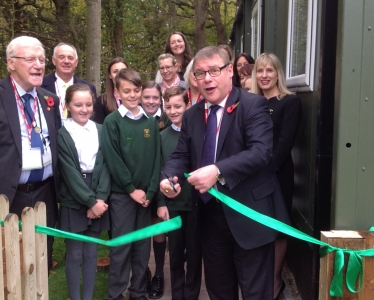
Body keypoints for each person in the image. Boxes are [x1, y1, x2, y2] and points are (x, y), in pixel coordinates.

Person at [160, 46, 289, 300]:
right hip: (210, 221)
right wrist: (168, 177)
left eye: (214, 71)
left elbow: (261, 152)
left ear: (229, 71)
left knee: (256, 294)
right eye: (200, 73)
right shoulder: (192, 115)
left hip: (250, 217)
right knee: (219, 291)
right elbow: (181, 155)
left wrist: (218, 170)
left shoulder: (253, 105)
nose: (207, 78)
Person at [0, 36, 61, 271]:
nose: (38, 64)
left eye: (42, 59)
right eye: (30, 59)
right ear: (11, 63)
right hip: (9, 197)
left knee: (41, 263)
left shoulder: (49, 100)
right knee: (11, 267)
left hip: (45, 195)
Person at [102, 68, 161, 300]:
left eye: (136, 90)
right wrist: (130, 189)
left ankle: (137, 292)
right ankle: (116, 294)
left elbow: (157, 159)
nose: (133, 95)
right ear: (117, 92)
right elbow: (113, 159)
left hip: (145, 197)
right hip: (122, 197)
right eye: (127, 91)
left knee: (141, 247)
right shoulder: (112, 122)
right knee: (122, 247)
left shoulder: (150, 122)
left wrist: (151, 190)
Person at [252, 53, 302, 300]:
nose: (264, 75)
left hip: (277, 173)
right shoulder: (250, 102)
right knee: (257, 225)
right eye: (260, 71)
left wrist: (265, 169)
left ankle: (274, 281)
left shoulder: (289, 102)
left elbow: (285, 142)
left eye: (269, 71)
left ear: (277, 74)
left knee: (278, 226)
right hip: (251, 175)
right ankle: (258, 278)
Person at [58, 83, 110, 300]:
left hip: (97, 193)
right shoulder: (63, 133)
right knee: (75, 253)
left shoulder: (100, 129)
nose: (84, 109)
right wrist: (90, 202)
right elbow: (69, 173)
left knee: (91, 252)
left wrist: (100, 198)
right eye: (78, 104)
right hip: (74, 197)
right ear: (68, 105)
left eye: (88, 104)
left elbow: (106, 165)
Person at [157, 86, 202, 300]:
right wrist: (162, 201)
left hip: (194, 204)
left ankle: (191, 294)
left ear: (188, 106)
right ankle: (177, 294)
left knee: (194, 253)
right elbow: (158, 170)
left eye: (178, 106)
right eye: (169, 107)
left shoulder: (198, 134)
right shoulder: (162, 136)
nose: (173, 111)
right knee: (175, 254)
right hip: (172, 205)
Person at [140, 81, 170, 299]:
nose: (150, 101)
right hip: (139, 187)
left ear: (160, 99)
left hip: (161, 182)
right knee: (140, 233)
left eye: (154, 97)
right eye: (146, 97)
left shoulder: (167, 120)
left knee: (158, 231)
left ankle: (159, 273)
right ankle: (143, 273)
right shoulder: (135, 118)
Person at [42, 42, 97, 122]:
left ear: (76, 62)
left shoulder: (89, 87)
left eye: (70, 58)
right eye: (61, 57)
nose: (66, 61)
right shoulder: (41, 85)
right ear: (54, 60)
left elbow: (92, 117)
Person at [93, 57, 128, 124]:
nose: (119, 74)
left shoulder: (137, 98)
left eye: (123, 71)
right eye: (115, 71)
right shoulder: (102, 101)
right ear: (110, 75)